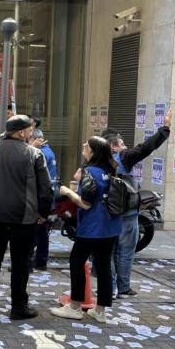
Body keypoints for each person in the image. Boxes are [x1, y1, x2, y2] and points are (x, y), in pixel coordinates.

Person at [0, 115, 53, 320]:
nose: (32, 133)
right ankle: (18, 306)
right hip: (23, 218)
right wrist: (44, 214)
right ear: (20, 133)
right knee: (20, 262)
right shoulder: (34, 154)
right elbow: (45, 189)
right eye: (30, 129)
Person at [51, 136, 123, 323]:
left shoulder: (89, 172)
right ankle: (100, 312)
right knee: (104, 266)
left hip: (92, 228)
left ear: (93, 152)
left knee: (76, 262)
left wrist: (67, 192)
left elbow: (85, 204)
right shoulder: (111, 170)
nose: (83, 147)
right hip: (110, 226)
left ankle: (75, 306)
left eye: (87, 146)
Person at [103, 109, 172, 299]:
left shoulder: (96, 161)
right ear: (113, 146)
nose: (125, 147)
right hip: (126, 214)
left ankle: (110, 287)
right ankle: (123, 288)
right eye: (122, 144)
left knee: (108, 252)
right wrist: (165, 128)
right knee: (125, 251)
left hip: (107, 214)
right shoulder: (123, 158)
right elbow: (146, 147)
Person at [28, 128, 59, 270]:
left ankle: (29, 260)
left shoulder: (40, 154)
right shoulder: (49, 151)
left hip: (41, 198)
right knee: (42, 232)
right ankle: (41, 261)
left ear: (34, 139)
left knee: (35, 231)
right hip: (47, 197)